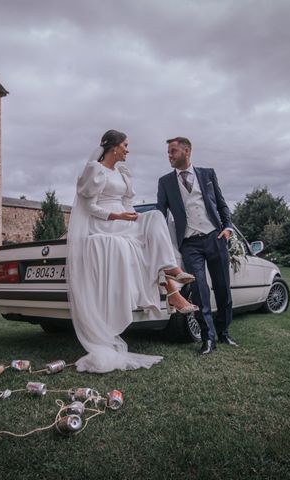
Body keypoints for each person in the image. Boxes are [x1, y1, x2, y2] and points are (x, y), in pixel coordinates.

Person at [67, 130, 198, 373]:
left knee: (156, 216)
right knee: (142, 237)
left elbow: (128, 205)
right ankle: (171, 288)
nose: (128, 150)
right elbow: (90, 207)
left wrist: (134, 217)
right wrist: (118, 215)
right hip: (104, 221)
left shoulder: (123, 173)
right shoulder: (94, 171)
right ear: (114, 147)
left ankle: (171, 271)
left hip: (124, 219)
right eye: (125, 145)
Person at [156, 136, 237, 355]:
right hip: (189, 243)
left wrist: (227, 228)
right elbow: (159, 214)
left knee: (223, 289)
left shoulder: (208, 174)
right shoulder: (165, 182)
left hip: (215, 237)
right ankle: (208, 338)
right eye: (169, 152)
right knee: (199, 290)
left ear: (187, 151)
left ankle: (224, 332)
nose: (169, 156)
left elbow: (221, 205)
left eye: (173, 151)